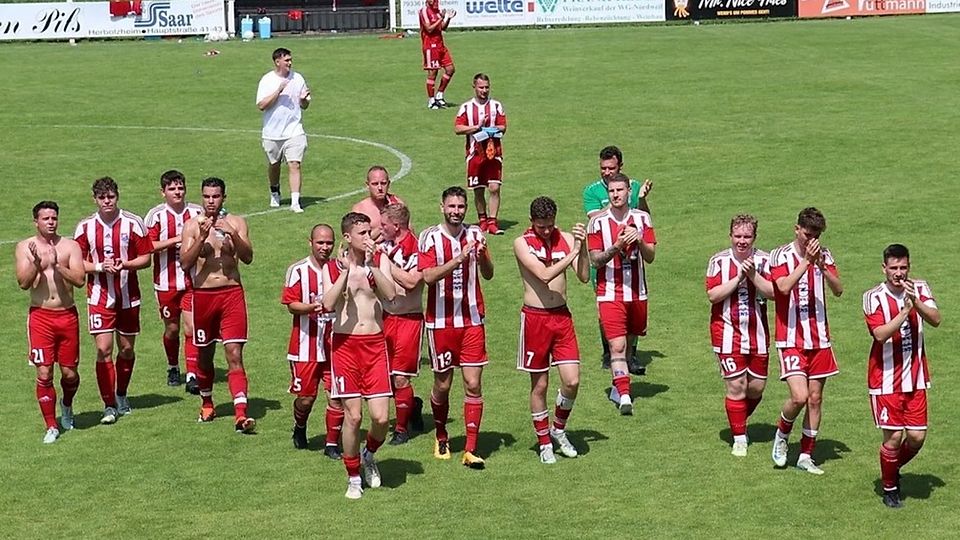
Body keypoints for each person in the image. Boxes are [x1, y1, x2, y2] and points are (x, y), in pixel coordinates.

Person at [321, 212, 396, 500]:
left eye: (369, 232)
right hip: (345, 346)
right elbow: (327, 304)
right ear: (348, 237)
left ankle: (369, 454)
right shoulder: (333, 268)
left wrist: (372, 265)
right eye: (362, 233)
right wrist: (345, 271)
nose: (368, 237)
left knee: (380, 418)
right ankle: (353, 477)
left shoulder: (380, 260)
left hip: (375, 345)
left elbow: (390, 295)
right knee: (353, 417)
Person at [418, 186, 494, 469]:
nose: (456, 211)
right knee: (443, 384)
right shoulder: (429, 237)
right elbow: (427, 276)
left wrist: (483, 255)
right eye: (451, 206)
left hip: (473, 320)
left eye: (461, 207)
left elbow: (488, 274)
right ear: (442, 207)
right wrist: (459, 259)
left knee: (473, 383)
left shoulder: (475, 234)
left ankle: (471, 449)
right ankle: (441, 434)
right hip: (440, 323)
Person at [863, 244, 940, 508]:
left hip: (916, 378)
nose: (899, 273)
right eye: (893, 268)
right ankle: (890, 489)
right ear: (883, 268)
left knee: (917, 438)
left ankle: (891, 468)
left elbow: (936, 319)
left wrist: (915, 302)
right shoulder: (872, 297)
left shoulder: (920, 288)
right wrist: (905, 311)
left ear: (909, 266)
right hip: (884, 381)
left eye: (903, 267)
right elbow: (880, 334)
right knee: (893, 437)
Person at [513, 197, 589, 464]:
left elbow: (583, 276)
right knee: (540, 384)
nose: (546, 231)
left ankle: (558, 429)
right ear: (532, 222)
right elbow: (544, 276)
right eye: (541, 226)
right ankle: (544, 442)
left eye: (550, 225)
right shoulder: (521, 243)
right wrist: (573, 252)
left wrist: (584, 246)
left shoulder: (566, 238)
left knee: (572, 381)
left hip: (561, 318)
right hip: (535, 319)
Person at [179, 177, 257, 434]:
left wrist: (233, 235)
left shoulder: (236, 223)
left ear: (224, 197)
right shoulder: (192, 225)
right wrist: (201, 239)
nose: (211, 201)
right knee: (204, 354)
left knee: (234, 353)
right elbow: (185, 263)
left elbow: (247, 258)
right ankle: (207, 403)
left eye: (216, 196)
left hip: (232, 293)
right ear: (202, 197)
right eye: (207, 196)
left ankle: (240, 414)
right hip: (203, 296)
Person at [769, 207, 843, 474]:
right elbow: (783, 287)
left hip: (819, 338)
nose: (810, 240)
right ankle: (781, 436)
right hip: (790, 337)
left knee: (815, 399)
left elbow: (838, 290)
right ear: (796, 229)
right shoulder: (779, 255)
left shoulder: (824, 255)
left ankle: (806, 456)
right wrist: (807, 263)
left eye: (816, 235)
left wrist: (822, 266)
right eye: (807, 234)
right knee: (799, 397)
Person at [74, 177, 153, 424]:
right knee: (103, 349)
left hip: (129, 297)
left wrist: (125, 264)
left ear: (117, 196)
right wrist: (99, 266)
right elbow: (77, 263)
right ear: (95, 199)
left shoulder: (133, 222)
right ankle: (108, 405)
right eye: (102, 197)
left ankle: (121, 394)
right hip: (99, 297)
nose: (107, 201)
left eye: (111, 196)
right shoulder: (85, 227)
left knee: (127, 349)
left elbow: (146, 257)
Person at [705, 215, 774, 457]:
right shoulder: (719, 261)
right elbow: (713, 295)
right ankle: (739, 438)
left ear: (755, 237)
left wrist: (754, 275)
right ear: (730, 236)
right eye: (738, 236)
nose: (742, 241)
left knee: (755, 389)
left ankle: (737, 421)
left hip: (758, 335)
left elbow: (774, 293)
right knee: (736, 387)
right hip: (726, 333)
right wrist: (739, 278)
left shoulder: (766, 260)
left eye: (747, 237)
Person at [587, 173, 656, 416]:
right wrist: (617, 246)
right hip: (609, 293)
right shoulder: (597, 223)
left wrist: (639, 241)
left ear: (629, 191)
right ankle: (625, 395)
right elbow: (594, 261)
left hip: (637, 293)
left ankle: (619, 386)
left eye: (620, 190)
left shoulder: (642, 219)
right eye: (611, 191)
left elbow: (650, 256)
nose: (616, 195)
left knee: (628, 344)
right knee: (616, 345)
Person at [16, 201, 85, 443]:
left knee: (69, 373)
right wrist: (37, 264)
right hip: (41, 317)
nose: (51, 222)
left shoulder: (70, 246)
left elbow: (79, 280)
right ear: (36, 221)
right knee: (44, 372)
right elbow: (23, 283)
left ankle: (67, 406)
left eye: (54, 218)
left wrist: (57, 265)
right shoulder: (25, 247)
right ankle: (51, 425)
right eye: (45, 218)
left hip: (67, 315)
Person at [582, 145, 653, 374]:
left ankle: (629, 356)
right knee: (606, 308)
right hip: (605, 260)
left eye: (611, 168)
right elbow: (596, 218)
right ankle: (609, 352)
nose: (606, 172)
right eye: (603, 168)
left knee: (633, 305)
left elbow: (644, 218)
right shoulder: (592, 192)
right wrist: (619, 205)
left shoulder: (632, 187)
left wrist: (639, 200)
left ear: (620, 166)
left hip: (632, 261)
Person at [281, 223, 345, 460]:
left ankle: (331, 444)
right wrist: (312, 307)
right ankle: (300, 425)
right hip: (305, 344)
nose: (325, 247)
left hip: (336, 345)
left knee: (336, 396)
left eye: (329, 243)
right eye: (320, 242)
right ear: (311, 243)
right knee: (306, 398)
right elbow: (290, 305)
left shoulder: (340, 269)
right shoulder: (297, 270)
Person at [144, 170, 203, 393]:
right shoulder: (155, 216)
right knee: (172, 329)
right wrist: (177, 240)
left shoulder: (197, 212)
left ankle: (192, 374)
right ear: (163, 192)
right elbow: (147, 246)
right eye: (172, 189)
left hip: (192, 281)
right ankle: (172, 365)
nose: (177, 192)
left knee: (191, 327)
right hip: (165, 282)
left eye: (180, 188)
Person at [379, 203, 425, 445]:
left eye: (384, 224)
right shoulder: (383, 246)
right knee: (386, 378)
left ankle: (401, 429)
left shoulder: (417, 248)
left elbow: (411, 282)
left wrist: (384, 263)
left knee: (400, 378)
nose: (380, 228)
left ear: (396, 226)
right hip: (385, 319)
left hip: (409, 320)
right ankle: (413, 407)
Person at [256, 47, 311, 213]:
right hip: (272, 133)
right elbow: (261, 105)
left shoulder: (298, 78)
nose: (290, 63)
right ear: (277, 61)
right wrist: (278, 91)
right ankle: (275, 191)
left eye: (290, 60)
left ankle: (295, 201)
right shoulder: (267, 80)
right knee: (274, 164)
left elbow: (305, 105)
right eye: (286, 60)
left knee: (295, 164)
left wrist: (303, 100)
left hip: (294, 130)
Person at [454, 74, 508, 235]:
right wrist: (476, 127)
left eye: (486, 87)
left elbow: (503, 126)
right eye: (481, 87)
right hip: (474, 154)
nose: (484, 90)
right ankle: (482, 219)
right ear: (474, 87)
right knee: (478, 189)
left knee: (494, 187)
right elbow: (458, 128)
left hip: (493, 153)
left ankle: (492, 222)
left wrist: (493, 130)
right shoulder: (466, 107)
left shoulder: (496, 106)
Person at [350, 166, 405, 241]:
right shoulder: (359, 210)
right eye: (375, 184)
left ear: (388, 184)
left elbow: (408, 235)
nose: (380, 188)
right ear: (367, 185)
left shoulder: (397, 204)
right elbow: (356, 241)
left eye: (383, 183)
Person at [419, 0, 456, 109]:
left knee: (450, 69)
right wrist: (441, 18)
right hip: (430, 46)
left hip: (440, 45)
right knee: (433, 73)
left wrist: (448, 18)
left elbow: (443, 27)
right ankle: (431, 101)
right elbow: (429, 29)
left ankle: (439, 95)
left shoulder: (436, 11)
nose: (436, 1)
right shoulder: (424, 11)